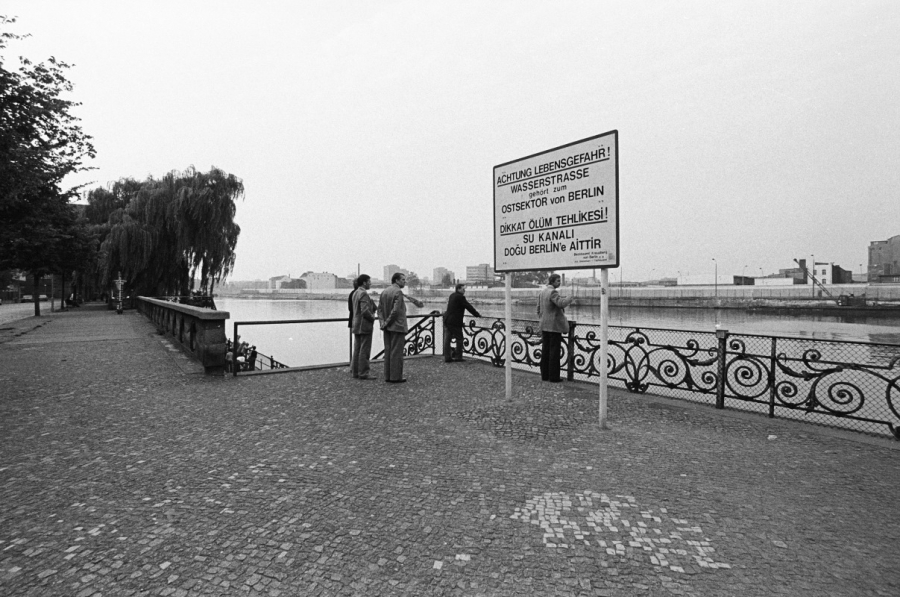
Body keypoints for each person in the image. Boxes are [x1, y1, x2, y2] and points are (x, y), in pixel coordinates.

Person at [377, 272, 424, 383]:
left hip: (386, 328)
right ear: (397, 280)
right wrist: (387, 322)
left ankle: (388, 376)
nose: (405, 282)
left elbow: (379, 310)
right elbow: (396, 311)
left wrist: (383, 323)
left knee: (388, 352)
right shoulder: (398, 292)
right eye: (403, 279)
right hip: (397, 326)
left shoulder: (384, 291)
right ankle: (395, 377)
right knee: (396, 353)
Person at [537, 273, 574, 382]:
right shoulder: (553, 292)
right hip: (554, 327)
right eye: (558, 281)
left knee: (545, 351)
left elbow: (538, 308)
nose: (559, 283)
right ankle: (554, 377)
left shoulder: (542, 292)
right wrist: (569, 298)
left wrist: (543, 318)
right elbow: (561, 303)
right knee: (554, 352)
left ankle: (545, 375)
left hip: (544, 326)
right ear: (552, 281)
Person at [443, 283, 481, 362]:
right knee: (459, 338)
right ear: (459, 289)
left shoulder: (452, 295)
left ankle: (447, 357)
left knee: (447, 339)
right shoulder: (460, 297)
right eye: (463, 289)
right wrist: (476, 314)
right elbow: (468, 306)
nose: (464, 291)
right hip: (455, 321)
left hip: (447, 319)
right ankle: (458, 357)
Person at [351, 274, 378, 380]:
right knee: (364, 350)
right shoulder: (363, 294)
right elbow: (365, 311)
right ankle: (363, 373)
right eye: (369, 282)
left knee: (357, 349)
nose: (370, 284)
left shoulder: (355, 293)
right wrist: (372, 317)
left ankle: (355, 372)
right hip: (364, 325)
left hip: (356, 324)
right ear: (364, 283)